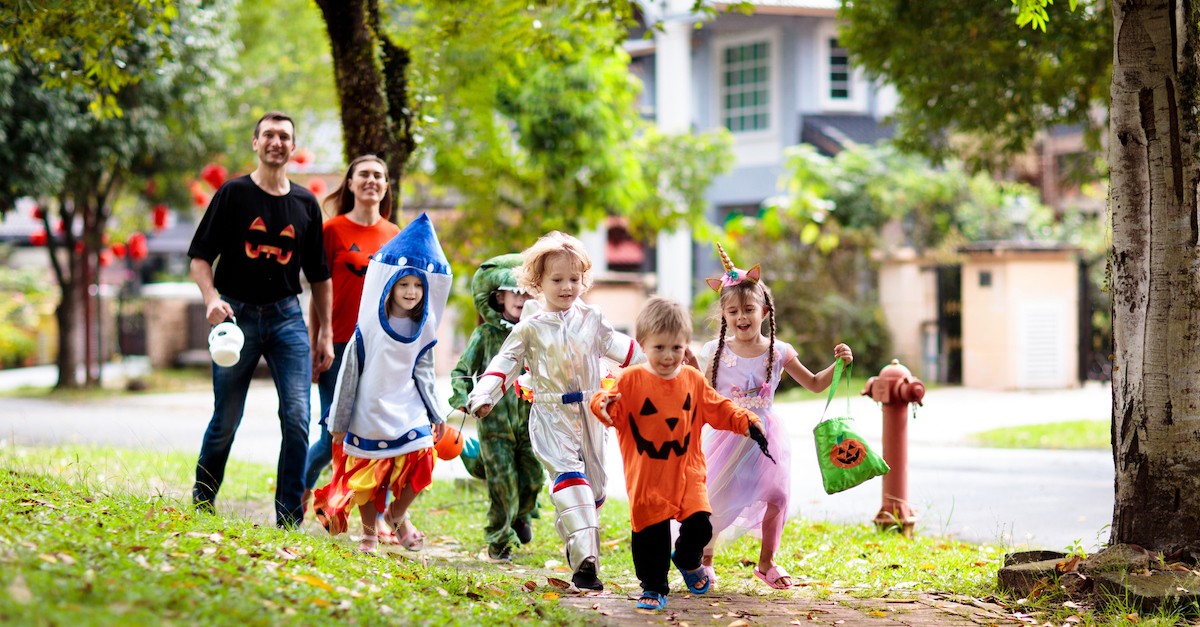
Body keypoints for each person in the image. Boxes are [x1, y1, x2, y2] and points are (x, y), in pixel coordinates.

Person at [467, 231, 644, 591]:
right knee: (570, 481)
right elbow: (506, 362)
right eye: (557, 279)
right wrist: (484, 395)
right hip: (550, 415)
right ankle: (585, 565)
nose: (567, 287)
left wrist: (661, 360)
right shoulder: (529, 328)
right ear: (537, 282)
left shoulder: (593, 318)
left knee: (594, 491)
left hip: (593, 414)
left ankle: (576, 537)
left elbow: (621, 348)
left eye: (574, 279)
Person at [188, 111, 333, 529]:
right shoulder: (233, 194)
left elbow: (320, 276)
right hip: (236, 315)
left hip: (288, 318)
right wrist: (211, 298)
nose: (276, 142)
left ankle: (288, 516)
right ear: (256, 143)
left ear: (293, 146)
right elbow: (200, 258)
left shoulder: (305, 203)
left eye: (284, 136)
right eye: (268, 134)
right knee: (226, 417)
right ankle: (203, 500)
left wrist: (323, 334)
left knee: (297, 417)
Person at [589, 297, 770, 611]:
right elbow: (608, 404)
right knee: (651, 540)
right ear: (643, 344)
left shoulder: (692, 381)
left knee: (701, 526)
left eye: (676, 348)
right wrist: (602, 405)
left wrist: (748, 422)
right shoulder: (631, 381)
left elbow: (720, 408)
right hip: (648, 478)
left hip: (688, 474)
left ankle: (687, 559)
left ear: (686, 346)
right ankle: (654, 587)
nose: (668, 356)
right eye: (659, 348)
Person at [698, 244, 854, 589]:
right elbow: (699, 392)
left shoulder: (779, 351)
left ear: (765, 311)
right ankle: (705, 560)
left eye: (749, 309)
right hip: (727, 433)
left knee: (777, 495)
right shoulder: (713, 352)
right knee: (717, 498)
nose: (742, 317)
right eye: (734, 310)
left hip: (767, 437)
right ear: (723, 315)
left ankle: (766, 562)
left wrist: (840, 364)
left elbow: (813, 383)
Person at [312, 213, 453, 553]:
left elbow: (424, 375)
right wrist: (340, 420)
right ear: (389, 287)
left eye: (418, 285)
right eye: (404, 284)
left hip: (407, 406)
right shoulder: (370, 326)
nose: (411, 291)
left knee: (422, 458)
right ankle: (368, 533)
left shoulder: (425, 330)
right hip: (369, 407)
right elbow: (349, 375)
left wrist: (436, 414)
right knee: (368, 473)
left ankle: (396, 514)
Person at [302, 155, 400, 520]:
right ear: (351, 184)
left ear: (386, 186)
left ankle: (379, 512)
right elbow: (318, 289)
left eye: (378, 175)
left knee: (379, 430)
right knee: (334, 430)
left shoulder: (395, 235)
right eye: (364, 175)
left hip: (379, 347)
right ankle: (296, 492)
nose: (371, 180)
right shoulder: (332, 231)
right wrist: (318, 341)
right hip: (339, 343)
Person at [449, 254, 545, 563]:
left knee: (533, 478)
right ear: (497, 296)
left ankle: (523, 514)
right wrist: (462, 398)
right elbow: (461, 371)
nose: (520, 298)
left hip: (532, 425)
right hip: (494, 428)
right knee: (502, 485)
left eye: (526, 292)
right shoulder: (485, 335)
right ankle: (499, 540)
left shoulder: (538, 334)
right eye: (512, 291)